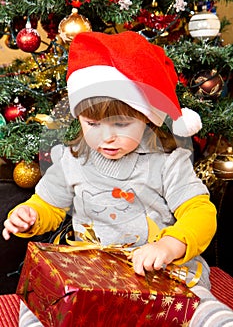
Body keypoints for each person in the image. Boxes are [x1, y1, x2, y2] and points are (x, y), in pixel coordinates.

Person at [2, 31, 233, 326]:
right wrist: (30, 215)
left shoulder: (167, 161)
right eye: (92, 123)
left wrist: (170, 245)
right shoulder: (70, 159)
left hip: (161, 273)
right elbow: (49, 206)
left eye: (122, 124)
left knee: (200, 307)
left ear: (146, 118)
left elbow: (200, 212)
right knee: (36, 300)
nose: (107, 137)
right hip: (91, 274)